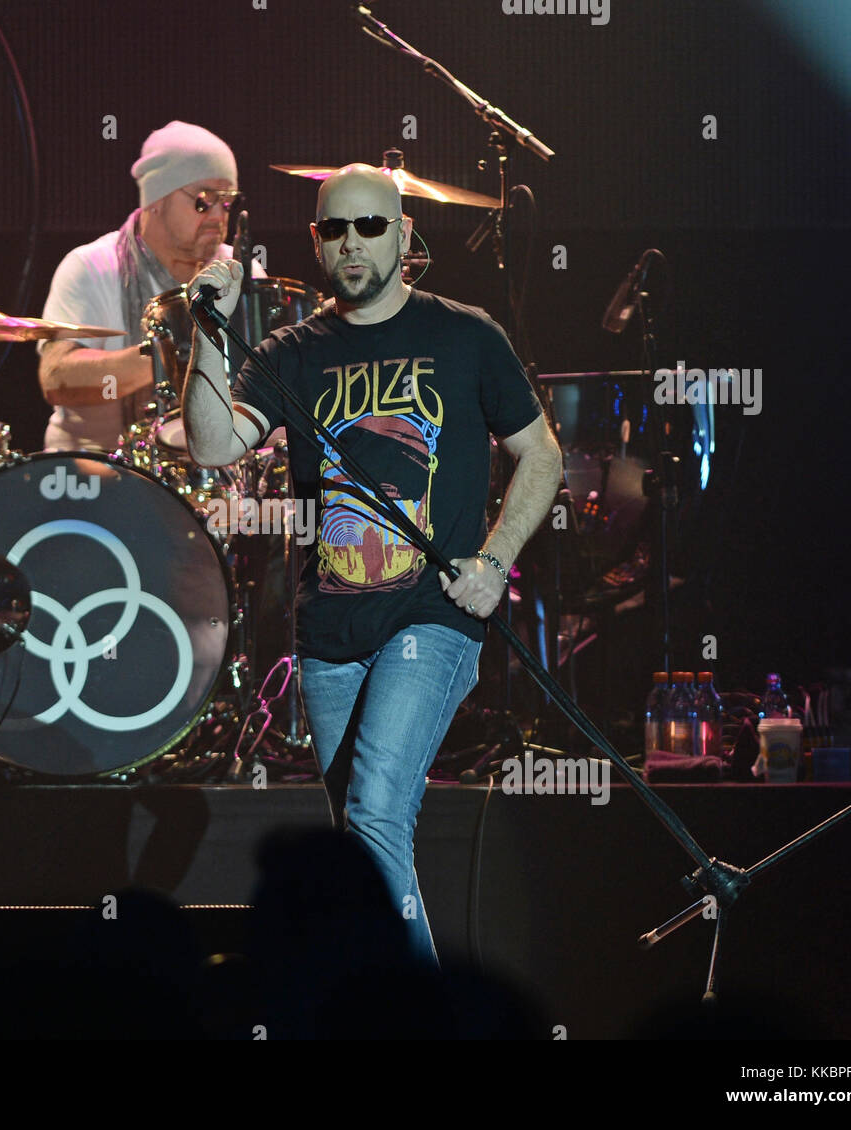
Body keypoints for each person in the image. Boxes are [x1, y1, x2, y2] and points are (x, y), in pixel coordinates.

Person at [183, 164, 563, 966]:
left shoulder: (465, 334)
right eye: (333, 230)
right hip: (330, 629)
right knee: (359, 842)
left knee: (378, 811)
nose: (351, 244)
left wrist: (494, 562)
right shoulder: (292, 351)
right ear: (317, 243)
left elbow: (542, 455)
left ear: (405, 236)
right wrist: (207, 329)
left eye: (370, 227)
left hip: (433, 614)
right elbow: (215, 446)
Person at [37, 120, 259, 451]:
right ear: (156, 199)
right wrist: (172, 354)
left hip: (210, 478)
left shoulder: (241, 272)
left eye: (226, 202)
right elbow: (55, 378)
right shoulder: (91, 267)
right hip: (95, 475)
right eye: (203, 201)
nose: (218, 216)